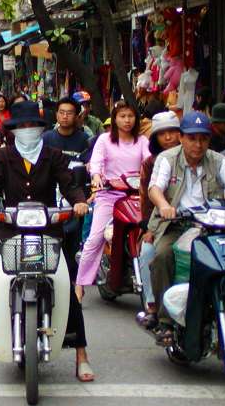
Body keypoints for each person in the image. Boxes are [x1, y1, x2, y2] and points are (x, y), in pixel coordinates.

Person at [0, 101, 94, 382]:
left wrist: (78, 202)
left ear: (41, 128)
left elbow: (69, 184)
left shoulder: (54, 155)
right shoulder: (3, 156)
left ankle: (81, 354)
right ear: (13, 130)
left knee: (65, 281)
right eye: (21, 126)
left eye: (32, 125)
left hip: (47, 229)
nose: (27, 130)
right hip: (10, 229)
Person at [147, 112, 225, 342]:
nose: (198, 144)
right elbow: (155, 188)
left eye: (203, 139)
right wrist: (165, 206)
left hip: (214, 227)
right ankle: (165, 321)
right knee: (162, 257)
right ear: (182, 138)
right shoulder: (167, 158)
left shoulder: (218, 160)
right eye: (192, 138)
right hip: (176, 225)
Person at [76, 101, 150, 302]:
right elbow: (97, 161)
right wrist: (97, 176)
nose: (127, 121)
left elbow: (149, 161)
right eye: (122, 116)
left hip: (137, 195)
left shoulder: (142, 141)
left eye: (130, 116)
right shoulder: (104, 140)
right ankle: (79, 284)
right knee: (95, 238)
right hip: (109, 195)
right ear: (115, 119)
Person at [137, 112, 181, 329]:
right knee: (147, 252)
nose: (168, 137)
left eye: (172, 132)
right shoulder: (150, 163)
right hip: (160, 222)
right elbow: (147, 196)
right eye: (162, 134)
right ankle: (153, 306)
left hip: (194, 222)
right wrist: (149, 227)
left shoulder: (199, 157)